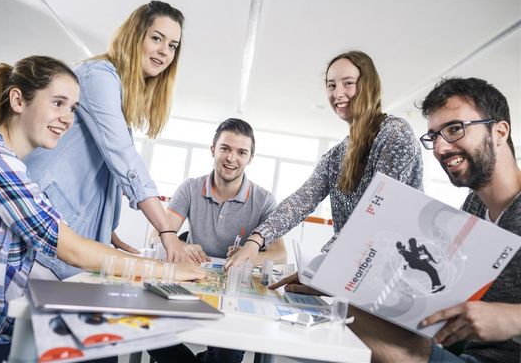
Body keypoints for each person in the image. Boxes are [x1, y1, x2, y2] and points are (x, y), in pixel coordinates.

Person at [0, 56, 205, 363]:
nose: (67, 119)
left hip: (1, 326)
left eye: (73, 109)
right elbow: (69, 247)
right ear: (18, 100)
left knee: (103, 348)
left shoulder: (13, 164)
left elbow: (62, 234)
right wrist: (168, 271)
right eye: (58, 103)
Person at [345, 77, 521, 363]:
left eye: (454, 129)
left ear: (499, 132)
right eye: (434, 136)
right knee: (346, 309)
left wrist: (514, 319)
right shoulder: (475, 205)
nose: (440, 148)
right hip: (467, 352)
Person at [25, 1, 189, 280]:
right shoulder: (99, 76)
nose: (164, 51)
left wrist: (106, 232)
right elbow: (123, 159)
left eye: (173, 45)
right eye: (156, 38)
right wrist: (167, 230)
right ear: (135, 36)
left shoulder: (121, 97)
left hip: (65, 243)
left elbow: (98, 174)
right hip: (41, 233)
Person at [225, 50, 423, 272]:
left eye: (348, 83)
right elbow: (301, 201)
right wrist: (256, 241)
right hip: (358, 268)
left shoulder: (395, 134)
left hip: (397, 269)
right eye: (331, 85)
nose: (338, 93)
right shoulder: (337, 155)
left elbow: (377, 213)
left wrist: (320, 269)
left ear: (369, 86)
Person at [148, 118, 286, 363]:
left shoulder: (264, 200)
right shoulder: (190, 188)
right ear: (213, 150)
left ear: (250, 158)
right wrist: (181, 245)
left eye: (241, 152)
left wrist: (250, 254)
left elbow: (280, 254)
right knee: (148, 331)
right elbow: (157, 234)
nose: (232, 158)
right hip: (190, 286)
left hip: (236, 295)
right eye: (225, 148)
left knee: (227, 354)